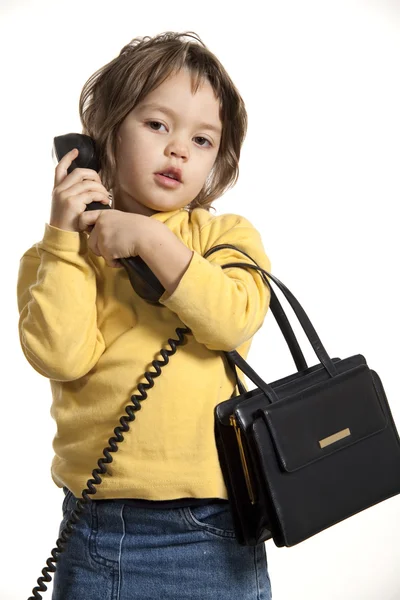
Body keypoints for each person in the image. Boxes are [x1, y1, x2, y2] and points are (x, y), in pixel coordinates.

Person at [17, 31, 273, 600]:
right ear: (101, 138)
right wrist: (65, 237)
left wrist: (151, 242)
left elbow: (232, 319)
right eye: (158, 125)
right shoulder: (57, 256)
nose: (179, 149)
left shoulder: (224, 238)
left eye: (202, 139)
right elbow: (59, 354)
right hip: (95, 531)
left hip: (209, 530)